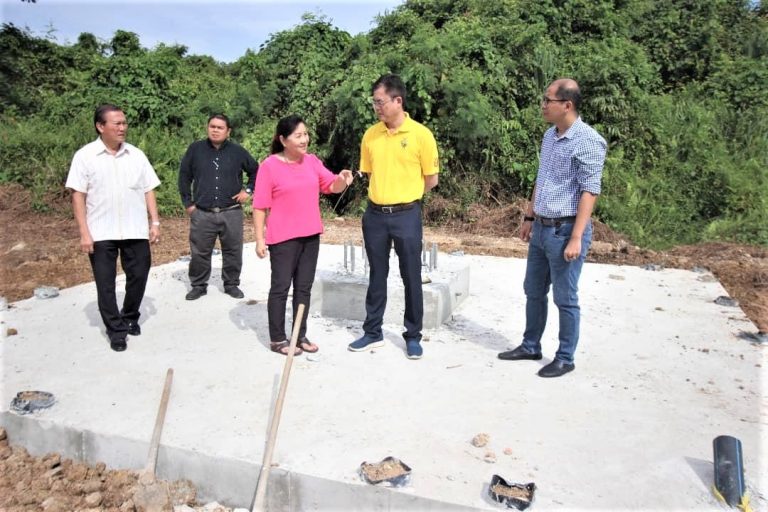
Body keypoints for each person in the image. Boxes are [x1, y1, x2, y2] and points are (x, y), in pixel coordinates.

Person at [498, 78, 607, 378]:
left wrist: (576, 237)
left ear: (567, 105)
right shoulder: (550, 135)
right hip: (542, 227)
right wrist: (529, 217)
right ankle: (530, 345)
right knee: (533, 290)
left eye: (548, 100)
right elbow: (541, 178)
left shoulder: (588, 140)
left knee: (565, 297)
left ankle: (565, 357)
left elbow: (589, 191)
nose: (543, 105)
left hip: (565, 231)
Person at [347, 74, 440, 360]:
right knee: (377, 274)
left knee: (411, 275)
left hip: (406, 215)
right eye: (374, 102)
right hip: (375, 215)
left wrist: (406, 196)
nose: (377, 107)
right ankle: (372, 331)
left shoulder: (421, 135)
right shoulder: (371, 135)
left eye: (380, 102)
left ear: (398, 101)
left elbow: (431, 179)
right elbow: (370, 173)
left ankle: (412, 335)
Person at [253, 115, 354, 356]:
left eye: (306, 134)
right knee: (280, 288)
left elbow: (331, 186)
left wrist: (342, 180)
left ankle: (299, 335)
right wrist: (259, 239)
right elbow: (260, 205)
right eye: (298, 135)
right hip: (282, 238)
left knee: (303, 288)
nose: (304, 139)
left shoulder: (311, 161)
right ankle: (278, 338)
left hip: (310, 235)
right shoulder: (269, 166)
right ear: (283, 140)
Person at [65, 104, 161, 352]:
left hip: (135, 229)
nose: (122, 128)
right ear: (100, 126)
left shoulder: (136, 155)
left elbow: (148, 189)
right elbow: (78, 195)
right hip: (101, 232)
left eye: (124, 123)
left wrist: (155, 222)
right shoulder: (85, 156)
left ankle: (129, 316)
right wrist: (84, 233)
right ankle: (116, 331)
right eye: (117, 123)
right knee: (105, 283)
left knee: (139, 274)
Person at [178, 114, 257, 300]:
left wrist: (248, 190)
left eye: (220, 127)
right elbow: (184, 176)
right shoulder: (195, 149)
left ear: (228, 131)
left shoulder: (238, 152)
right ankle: (198, 285)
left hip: (231, 212)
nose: (215, 130)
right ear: (207, 128)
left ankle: (231, 284)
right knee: (199, 252)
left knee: (233, 251)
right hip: (202, 212)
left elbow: (256, 171)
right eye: (212, 126)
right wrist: (188, 203)